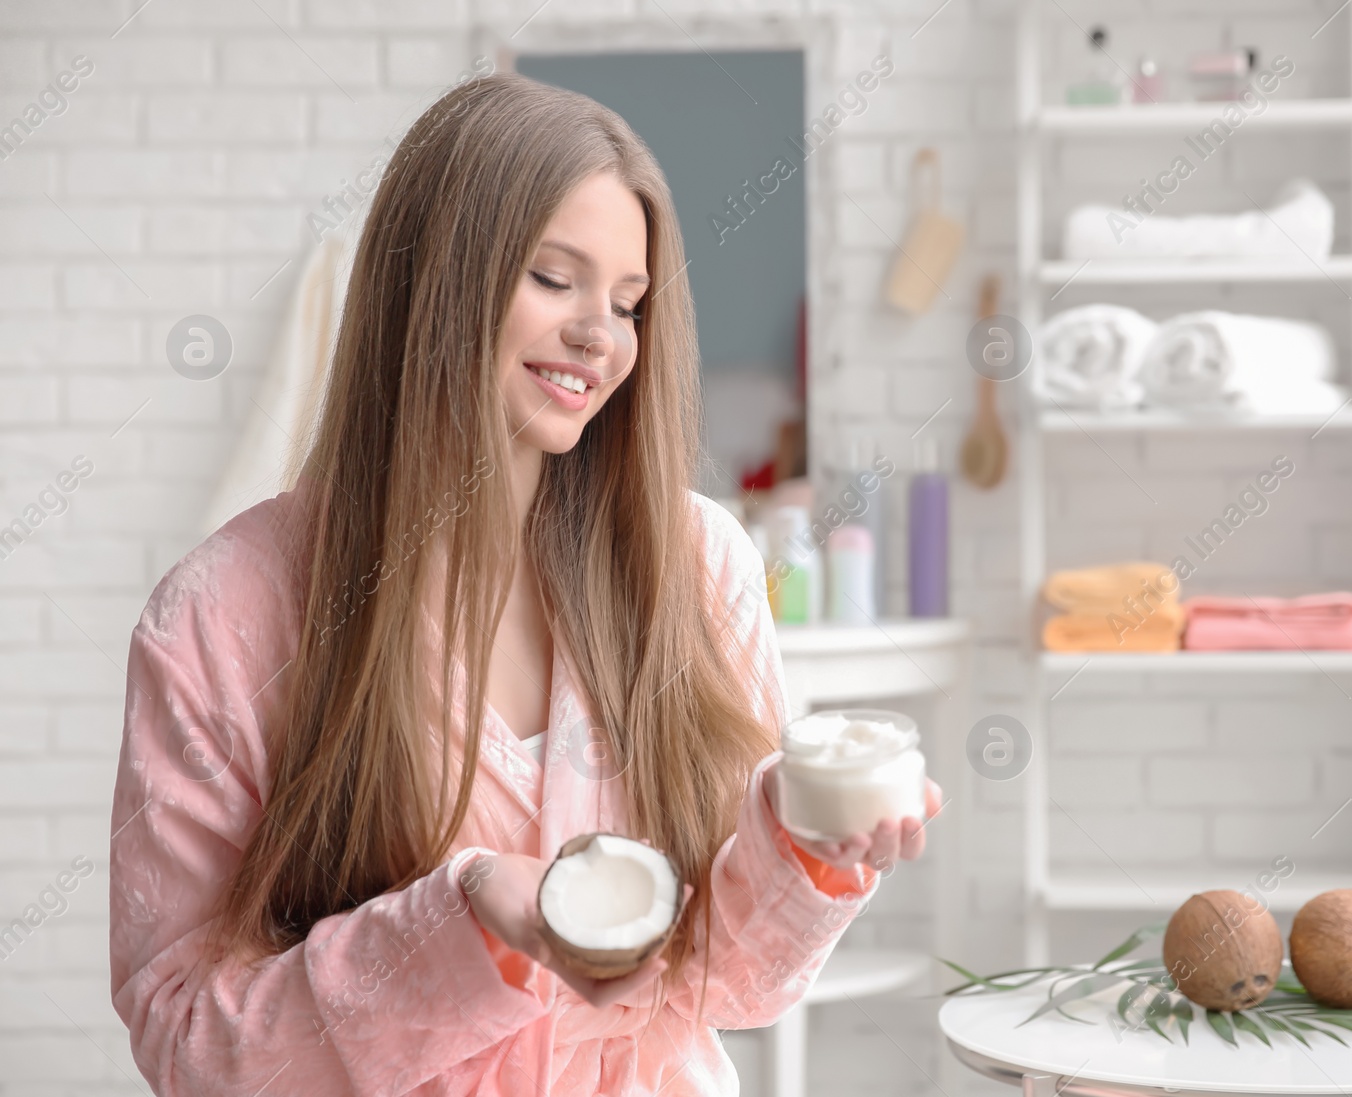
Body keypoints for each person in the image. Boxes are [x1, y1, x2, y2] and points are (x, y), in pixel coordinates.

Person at [109, 74, 938, 1096]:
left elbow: (731, 984)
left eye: (628, 303)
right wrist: (463, 919)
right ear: (433, 283)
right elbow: (189, 1044)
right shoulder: (224, 613)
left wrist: (802, 849)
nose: (602, 334)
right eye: (554, 278)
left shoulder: (699, 562)